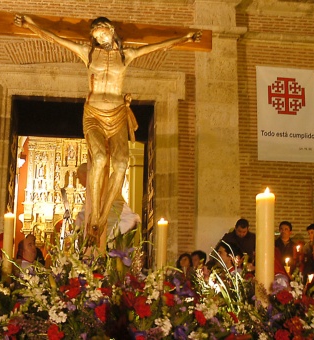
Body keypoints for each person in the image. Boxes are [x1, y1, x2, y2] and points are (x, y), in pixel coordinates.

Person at [15, 15, 201, 243]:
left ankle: (102, 217)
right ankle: (95, 216)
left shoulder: (126, 55)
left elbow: (155, 47)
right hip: (93, 113)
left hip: (117, 115)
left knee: (122, 163)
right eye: (95, 36)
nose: (99, 38)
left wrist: (186, 37)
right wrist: (31, 25)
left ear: (110, 29)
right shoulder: (89, 53)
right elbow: (56, 39)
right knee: (101, 158)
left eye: (101, 33)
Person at [75, 163, 140, 243]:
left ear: (86, 175)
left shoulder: (105, 189)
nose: (79, 182)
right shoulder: (92, 192)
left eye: (79, 177)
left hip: (116, 230)